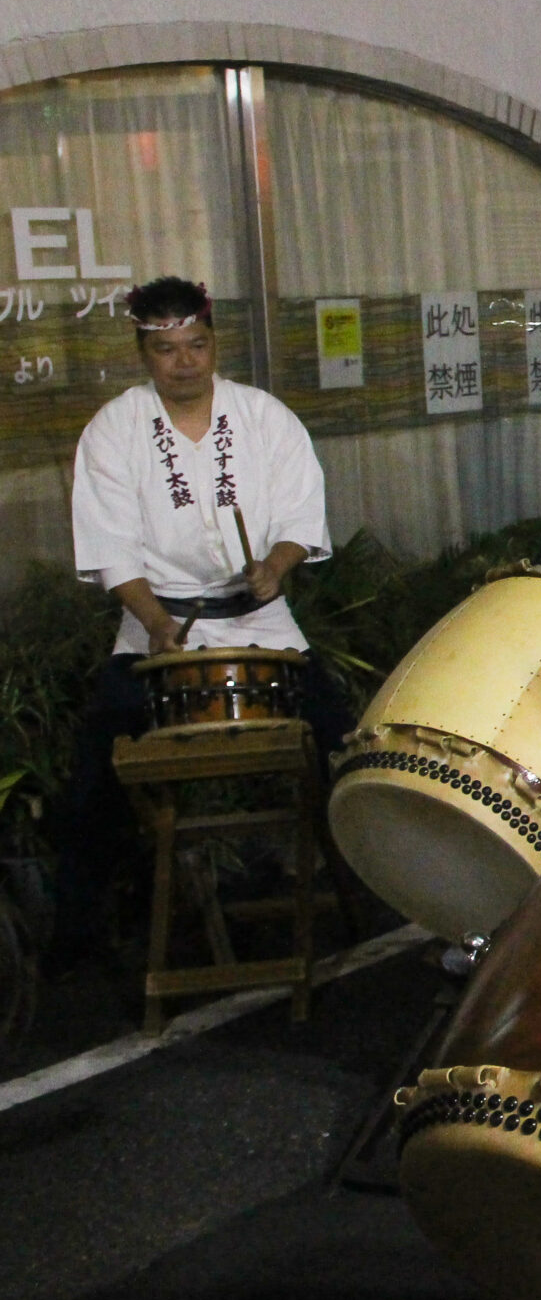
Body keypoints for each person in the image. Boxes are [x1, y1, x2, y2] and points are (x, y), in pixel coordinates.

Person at [53, 277, 343, 967]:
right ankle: (76, 936)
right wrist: (153, 621)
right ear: (142, 353)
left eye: (196, 345)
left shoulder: (263, 417)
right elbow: (110, 547)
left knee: (339, 742)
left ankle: (380, 888)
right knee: (99, 767)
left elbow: (302, 516)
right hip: (160, 622)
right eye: (166, 349)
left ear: (213, 343)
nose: (184, 362)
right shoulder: (114, 429)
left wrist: (275, 565)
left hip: (262, 620)